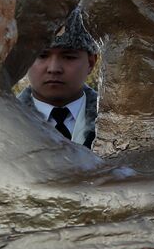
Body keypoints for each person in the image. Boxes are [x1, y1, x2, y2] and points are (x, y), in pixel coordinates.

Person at [17, 9, 101, 149]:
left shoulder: (120, 125)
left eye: (69, 57)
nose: (54, 68)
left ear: (91, 63)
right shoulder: (1, 123)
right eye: (42, 55)